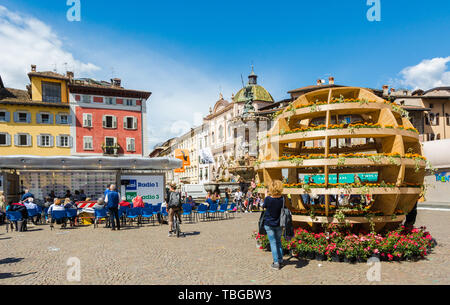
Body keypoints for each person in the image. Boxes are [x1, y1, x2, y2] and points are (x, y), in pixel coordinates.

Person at [262, 180, 285, 270]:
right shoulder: (282, 199)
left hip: (269, 223)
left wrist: (265, 196)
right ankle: (280, 259)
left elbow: (264, 206)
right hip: (279, 223)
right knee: (278, 241)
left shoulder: (268, 199)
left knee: (273, 243)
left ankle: (276, 263)